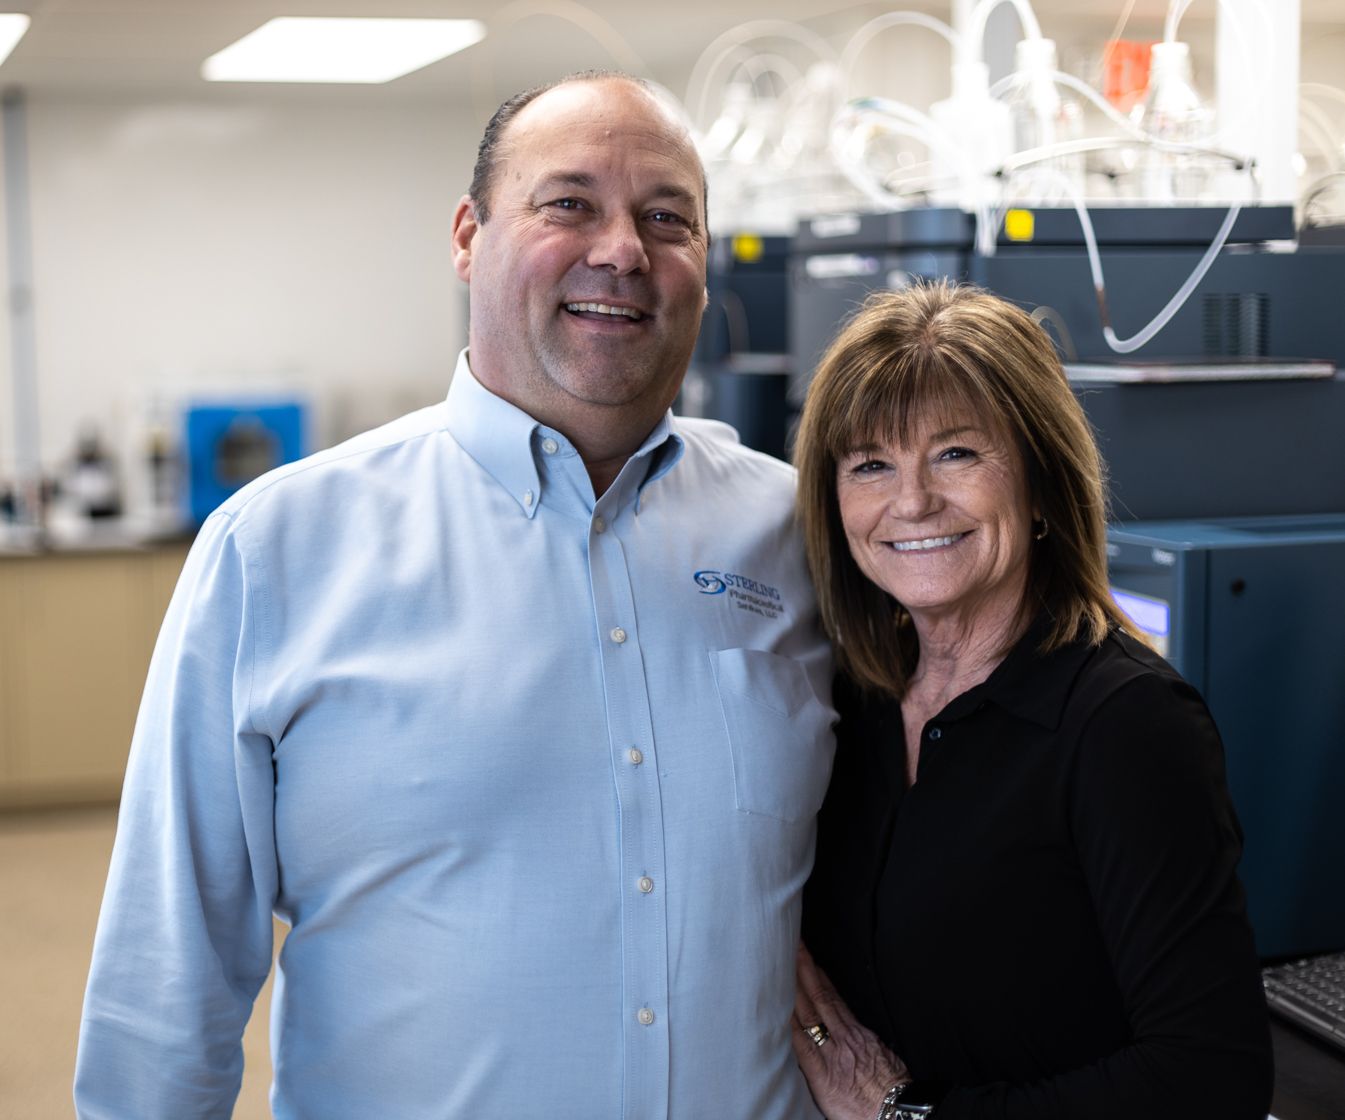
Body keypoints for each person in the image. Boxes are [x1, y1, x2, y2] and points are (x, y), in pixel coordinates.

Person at [75, 72, 836, 1119]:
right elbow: (166, 985)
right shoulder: (278, 550)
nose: (622, 248)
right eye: (568, 203)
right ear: (468, 235)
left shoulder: (800, 535)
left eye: (667, 217)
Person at [787, 281, 1273, 1120]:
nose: (911, 502)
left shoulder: (1124, 724)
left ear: (1042, 482)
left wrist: (905, 1114)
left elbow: (1210, 1079)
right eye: (871, 463)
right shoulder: (850, 698)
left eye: (956, 453)